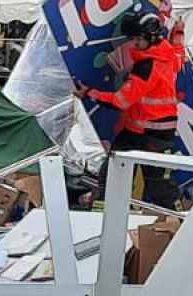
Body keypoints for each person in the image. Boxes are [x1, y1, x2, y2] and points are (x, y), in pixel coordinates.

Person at [77, 11, 184, 209]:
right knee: (156, 183)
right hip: (152, 131)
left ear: (150, 38)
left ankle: (103, 219)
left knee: (122, 179)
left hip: (147, 132)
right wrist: (179, 33)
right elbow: (179, 54)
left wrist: (90, 93)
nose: (134, 44)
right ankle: (176, 221)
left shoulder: (146, 66)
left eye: (137, 39)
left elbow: (120, 101)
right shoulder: (167, 54)